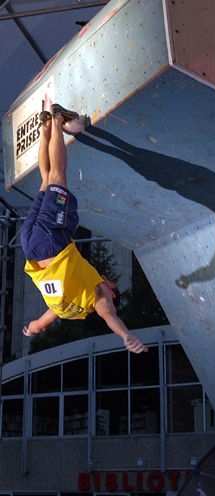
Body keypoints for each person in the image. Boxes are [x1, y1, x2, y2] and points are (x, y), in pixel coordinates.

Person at [21, 104, 148, 354]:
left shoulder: (100, 297)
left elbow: (109, 316)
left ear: (112, 293)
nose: (108, 280)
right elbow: (40, 323)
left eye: (112, 284)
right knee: (46, 180)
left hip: (51, 241)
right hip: (31, 247)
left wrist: (125, 335)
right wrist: (34, 328)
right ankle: (45, 127)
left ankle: (57, 120)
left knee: (58, 174)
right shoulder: (68, 311)